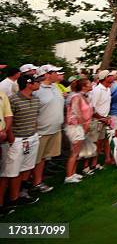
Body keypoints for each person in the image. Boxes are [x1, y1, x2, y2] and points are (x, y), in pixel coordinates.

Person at [1, 75, 41, 208]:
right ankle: (12, 199)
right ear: (29, 84)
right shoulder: (13, 100)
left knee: (26, 167)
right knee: (13, 170)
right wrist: (12, 140)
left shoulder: (36, 99)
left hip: (32, 138)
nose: (38, 84)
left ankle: (20, 194)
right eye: (36, 82)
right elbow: (9, 120)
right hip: (18, 140)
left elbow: (35, 118)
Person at [31, 65, 65, 194]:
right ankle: (34, 184)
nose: (57, 74)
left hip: (55, 129)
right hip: (41, 131)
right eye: (54, 72)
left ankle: (38, 181)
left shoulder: (55, 86)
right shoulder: (37, 90)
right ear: (46, 74)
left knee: (44, 158)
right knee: (36, 160)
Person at [64, 78, 93, 183]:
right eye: (89, 83)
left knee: (77, 151)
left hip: (80, 126)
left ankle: (73, 172)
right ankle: (68, 176)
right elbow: (77, 112)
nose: (91, 85)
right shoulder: (76, 97)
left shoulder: (83, 96)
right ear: (84, 86)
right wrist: (84, 125)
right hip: (75, 127)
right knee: (74, 152)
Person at [90, 70, 114, 168]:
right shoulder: (97, 90)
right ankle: (92, 164)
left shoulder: (108, 89)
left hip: (105, 119)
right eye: (110, 76)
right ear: (105, 78)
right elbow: (92, 108)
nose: (112, 77)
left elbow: (106, 105)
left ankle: (106, 159)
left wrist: (107, 117)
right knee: (96, 142)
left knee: (104, 141)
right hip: (96, 120)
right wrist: (101, 118)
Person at [0, 90, 14, 216]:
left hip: (2, 138)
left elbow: (8, 115)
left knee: (3, 173)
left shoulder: (2, 94)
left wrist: (5, 131)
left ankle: (1, 204)